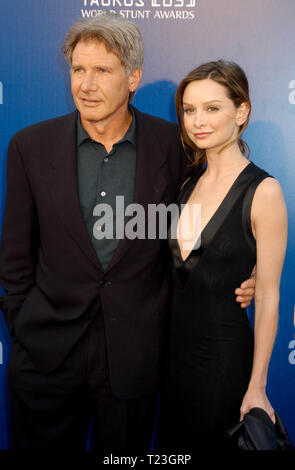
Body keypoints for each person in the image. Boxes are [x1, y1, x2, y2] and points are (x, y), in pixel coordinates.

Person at [0, 15, 254, 452]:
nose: (86, 84)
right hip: (46, 357)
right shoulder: (29, 146)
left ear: (133, 77)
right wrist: (24, 325)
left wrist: (237, 274)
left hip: (134, 360)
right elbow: (15, 254)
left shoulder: (177, 147)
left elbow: (206, 222)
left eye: (103, 70)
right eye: (79, 69)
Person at [158, 60, 287, 452]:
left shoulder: (263, 191)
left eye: (212, 108)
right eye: (189, 109)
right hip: (174, 365)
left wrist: (257, 387)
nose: (198, 120)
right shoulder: (186, 184)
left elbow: (266, 296)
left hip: (224, 366)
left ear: (241, 112)